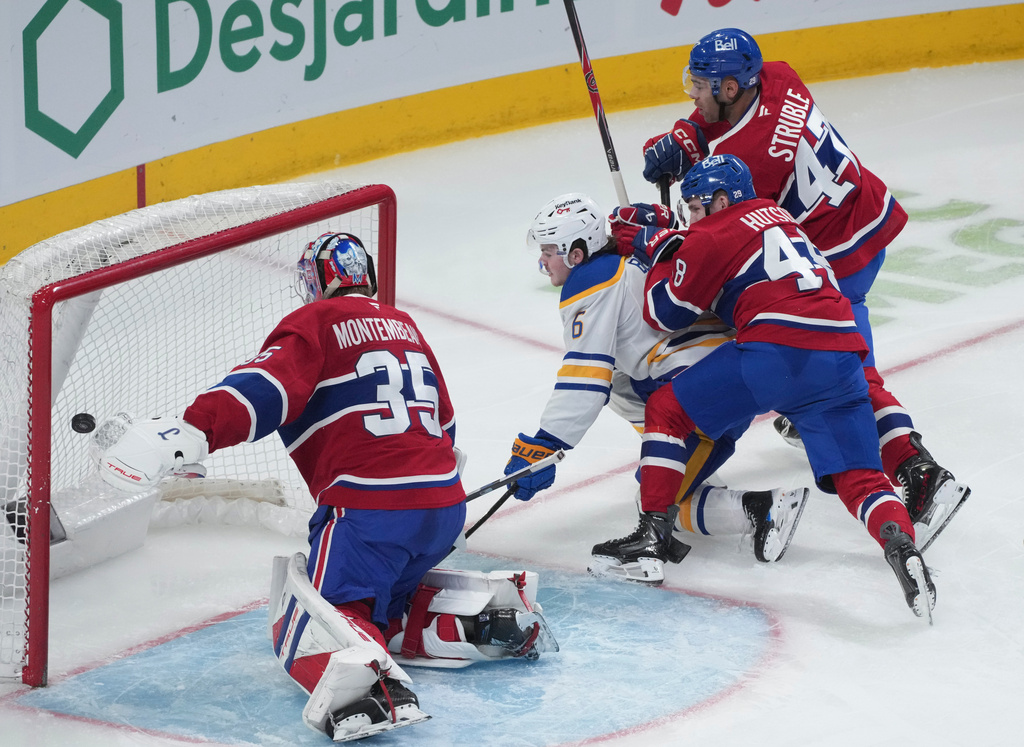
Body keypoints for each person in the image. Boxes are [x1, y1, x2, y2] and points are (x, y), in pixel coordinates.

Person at [94, 232, 556, 741]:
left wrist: (195, 428)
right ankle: (480, 622)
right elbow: (444, 422)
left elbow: (265, 388)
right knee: (388, 591)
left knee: (320, 612)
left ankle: (370, 688)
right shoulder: (405, 326)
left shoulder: (316, 322)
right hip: (444, 504)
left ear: (318, 281)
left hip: (369, 509)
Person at [639, 28, 969, 552]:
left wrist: (665, 241)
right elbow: (726, 125)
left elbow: (731, 234)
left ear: (729, 88)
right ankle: (820, 414)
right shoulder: (777, 74)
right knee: (831, 362)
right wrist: (687, 134)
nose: (693, 95)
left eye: (700, 86)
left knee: (843, 367)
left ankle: (918, 470)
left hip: (838, 253)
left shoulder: (755, 164)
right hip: (866, 214)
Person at [598, 153, 935, 618]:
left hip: (778, 351)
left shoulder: (712, 231)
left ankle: (650, 539)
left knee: (666, 411)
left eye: (695, 207)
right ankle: (901, 546)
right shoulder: (782, 220)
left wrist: (655, 250)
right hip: (841, 354)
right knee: (862, 477)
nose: (691, 217)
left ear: (720, 200)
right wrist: (673, 242)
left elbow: (663, 312)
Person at [503, 193, 809, 584]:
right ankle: (747, 501)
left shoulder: (592, 282)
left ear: (577, 253)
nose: (541, 261)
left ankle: (762, 510)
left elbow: (584, 378)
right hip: (721, 373)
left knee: (654, 500)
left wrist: (545, 445)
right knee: (628, 400)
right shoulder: (630, 259)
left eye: (549, 251)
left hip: (697, 393)